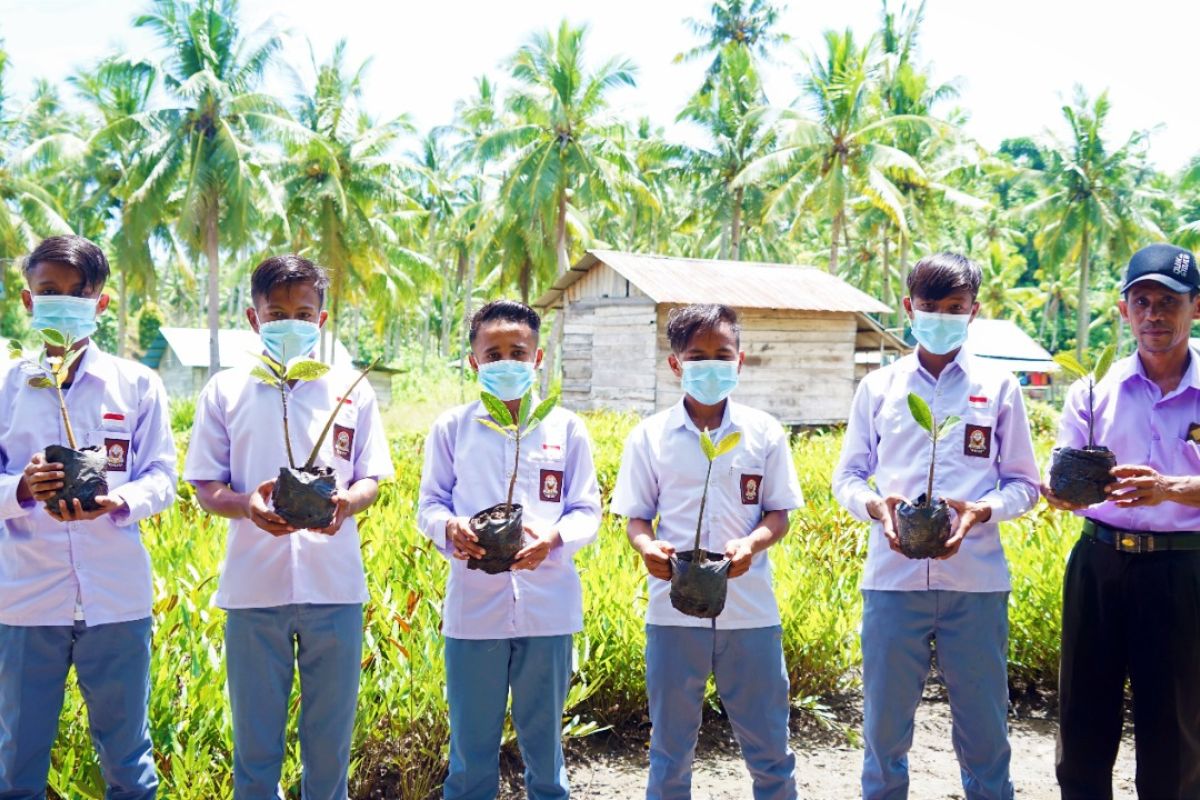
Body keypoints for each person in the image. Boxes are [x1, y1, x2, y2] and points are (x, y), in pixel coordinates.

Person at [184, 254, 393, 799]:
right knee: (256, 747)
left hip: (336, 587)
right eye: (275, 312)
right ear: (254, 319)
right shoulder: (225, 391)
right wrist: (246, 505)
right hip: (254, 590)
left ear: (321, 321)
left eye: (302, 312)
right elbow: (206, 487)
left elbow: (372, 477)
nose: (289, 322)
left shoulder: (351, 391)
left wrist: (348, 501)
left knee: (329, 746)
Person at [832, 252, 1040, 800]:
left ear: (974, 311)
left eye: (955, 307)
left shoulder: (999, 387)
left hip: (976, 584)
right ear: (909, 308)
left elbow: (1023, 483)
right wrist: (876, 507)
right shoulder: (879, 389)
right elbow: (849, 477)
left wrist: (982, 511)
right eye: (930, 306)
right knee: (882, 730)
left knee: (985, 731)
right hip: (892, 582)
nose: (941, 316)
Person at [0, 235, 176, 799]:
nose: (63, 304)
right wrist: (21, 489)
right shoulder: (5, 387)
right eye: (49, 291)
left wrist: (121, 501)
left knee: (128, 758)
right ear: (28, 301)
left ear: (101, 304)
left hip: (115, 599)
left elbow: (161, 477)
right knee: (16, 759)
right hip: (25, 599)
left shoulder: (138, 384)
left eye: (79, 293)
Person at [611, 303, 804, 800]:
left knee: (770, 749)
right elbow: (636, 516)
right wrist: (645, 545)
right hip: (673, 615)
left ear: (740, 361)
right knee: (670, 750)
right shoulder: (650, 437)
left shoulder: (764, 433)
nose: (712, 365)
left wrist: (753, 543)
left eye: (723, 354)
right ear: (675, 364)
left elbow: (778, 513)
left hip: (751, 613)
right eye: (698, 355)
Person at [417, 299, 602, 800]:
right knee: (472, 751)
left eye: (517, 352)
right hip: (474, 609)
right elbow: (429, 505)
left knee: (545, 749)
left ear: (538, 359)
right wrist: (449, 527)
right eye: (492, 352)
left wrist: (554, 538)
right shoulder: (453, 428)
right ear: (474, 361)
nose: (506, 362)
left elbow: (587, 510)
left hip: (549, 610)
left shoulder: (565, 429)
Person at [1044, 243, 1200, 799]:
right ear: (1123, 310)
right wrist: (1060, 495)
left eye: (1169, 301)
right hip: (1100, 564)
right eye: (1142, 301)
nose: (1154, 314)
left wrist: (1168, 489)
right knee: (1083, 717)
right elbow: (1063, 475)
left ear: (1196, 307)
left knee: (1178, 728)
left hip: (1183, 572)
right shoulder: (1094, 391)